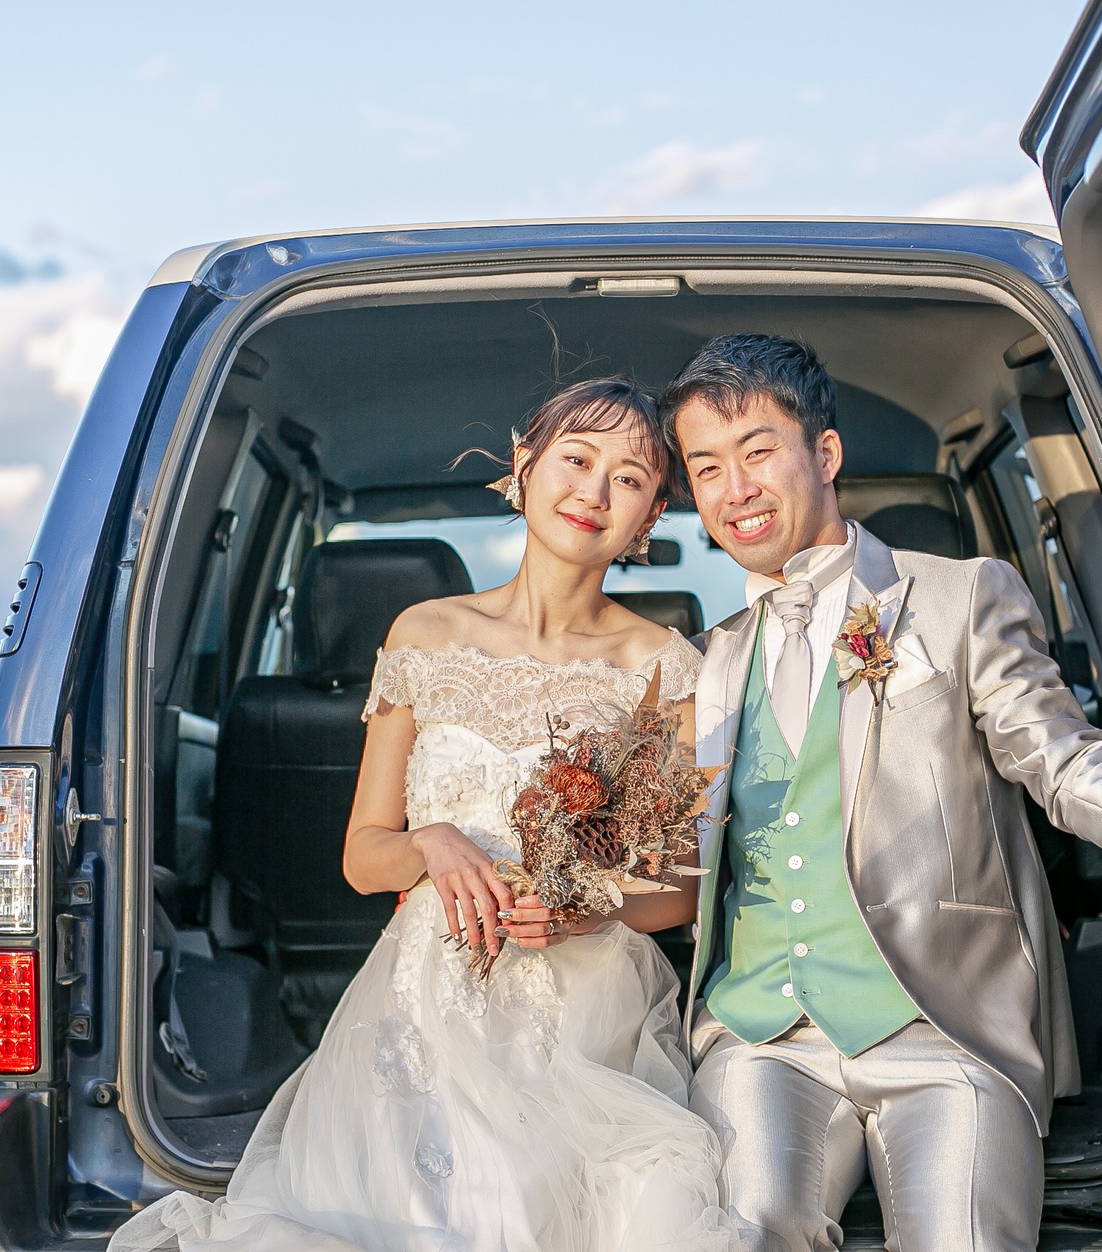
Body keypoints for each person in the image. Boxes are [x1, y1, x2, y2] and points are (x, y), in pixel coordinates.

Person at [110, 378, 739, 1252]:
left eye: (629, 478)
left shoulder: (665, 665)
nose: (594, 491)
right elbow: (363, 856)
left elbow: (683, 890)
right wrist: (430, 842)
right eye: (576, 458)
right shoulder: (422, 634)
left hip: (588, 1017)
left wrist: (590, 907)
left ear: (652, 514)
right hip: (424, 1001)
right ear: (524, 465)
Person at [665, 333, 1102, 1252]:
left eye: (757, 452)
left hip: (945, 1023)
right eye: (707, 468)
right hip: (760, 1033)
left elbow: (1050, 750)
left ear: (825, 453)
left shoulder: (960, 596)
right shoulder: (707, 661)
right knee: (746, 1227)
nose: (735, 489)